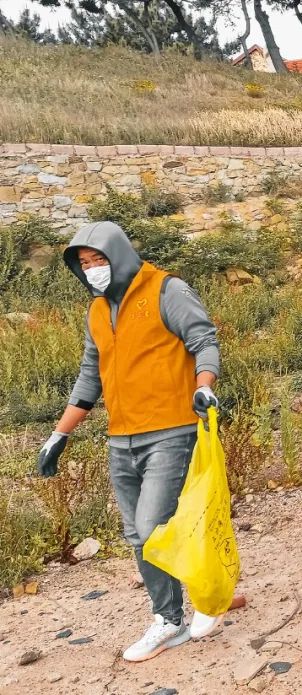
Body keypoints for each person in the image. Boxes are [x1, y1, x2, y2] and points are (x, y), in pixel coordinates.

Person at [36, 221, 223, 662]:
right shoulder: (98, 311)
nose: (92, 270)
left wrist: (205, 384)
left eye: (98, 259)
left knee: (150, 526)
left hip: (171, 430)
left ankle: (171, 620)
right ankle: (205, 595)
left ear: (118, 255)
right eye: (83, 264)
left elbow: (203, 339)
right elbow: (89, 376)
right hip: (121, 437)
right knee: (138, 532)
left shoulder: (166, 290)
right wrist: (59, 434)